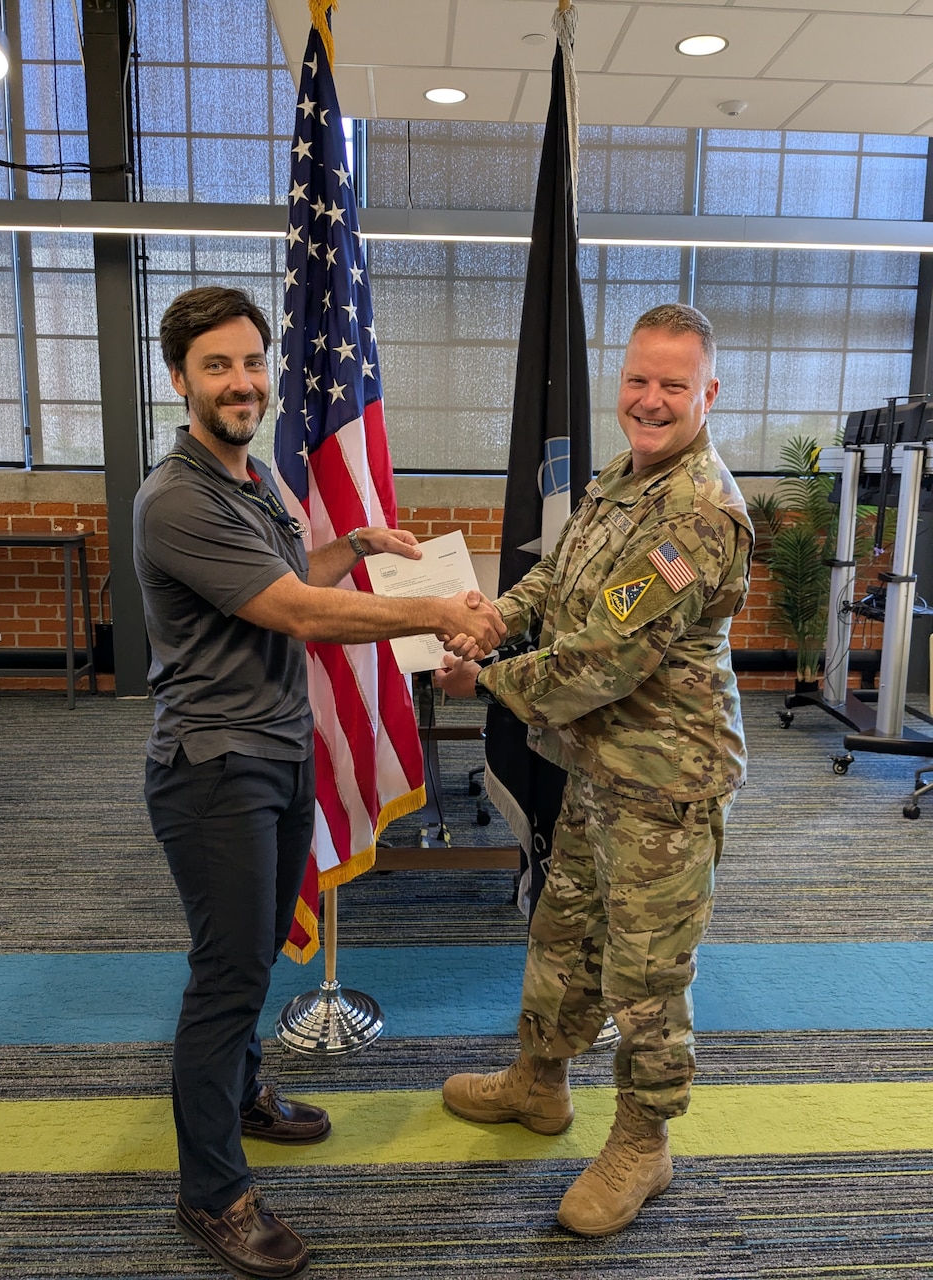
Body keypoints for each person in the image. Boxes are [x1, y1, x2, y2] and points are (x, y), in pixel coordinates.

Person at [132, 285, 504, 1280]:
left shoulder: (253, 482)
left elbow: (293, 572)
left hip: (279, 750)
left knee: (251, 954)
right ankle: (210, 1190)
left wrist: (360, 549)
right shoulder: (178, 495)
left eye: (252, 361)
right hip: (217, 768)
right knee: (228, 976)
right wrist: (438, 618)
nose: (243, 380)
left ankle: (246, 1095)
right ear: (180, 380)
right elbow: (295, 611)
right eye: (217, 365)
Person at [435, 303, 754, 1239]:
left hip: (666, 781)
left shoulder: (697, 514)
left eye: (673, 387)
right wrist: (497, 614)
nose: (650, 402)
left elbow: (604, 658)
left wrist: (481, 674)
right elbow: (561, 575)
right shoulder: (625, 475)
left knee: (646, 974)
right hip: (598, 764)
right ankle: (539, 1083)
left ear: (709, 394)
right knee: (564, 930)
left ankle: (643, 1144)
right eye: (638, 381)